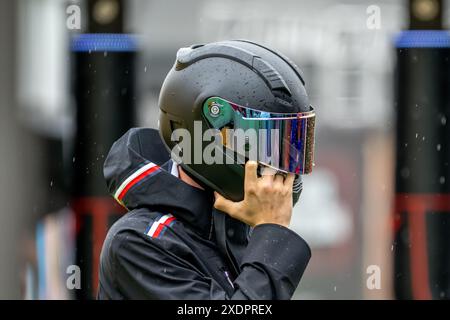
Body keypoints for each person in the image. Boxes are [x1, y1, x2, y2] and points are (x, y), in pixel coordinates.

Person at [97, 40, 316, 299]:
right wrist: (271, 234)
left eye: (289, 145)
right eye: (263, 145)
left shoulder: (237, 223)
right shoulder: (139, 243)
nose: (280, 167)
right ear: (206, 136)